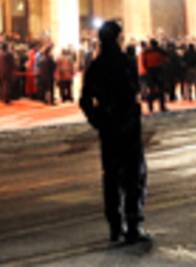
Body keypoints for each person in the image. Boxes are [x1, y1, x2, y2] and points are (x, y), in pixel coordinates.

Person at [79, 20, 150, 245]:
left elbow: (85, 100)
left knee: (111, 177)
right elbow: (133, 90)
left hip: (109, 127)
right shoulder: (126, 62)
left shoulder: (96, 66)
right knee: (134, 176)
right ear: (118, 38)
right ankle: (133, 225)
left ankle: (115, 226)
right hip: (127, 125)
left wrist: (98, 121)